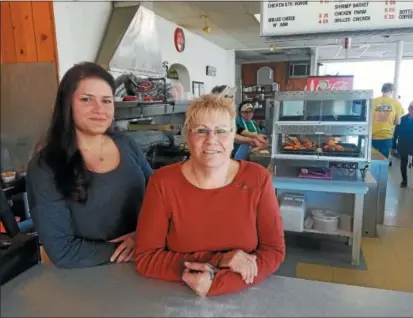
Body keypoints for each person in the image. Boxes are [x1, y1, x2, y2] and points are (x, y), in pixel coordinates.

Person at [134, 94, 285, 297]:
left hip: (244, 295)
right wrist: (218, 261)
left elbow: (273, 251)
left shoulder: (257, 179)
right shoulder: (162, 182)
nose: (211, 140)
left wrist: (218, 282)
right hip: (174, 296)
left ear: (234, 137)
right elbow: (146, 257)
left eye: (221, 131)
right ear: (188, 136)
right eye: (201, 131)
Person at [26, 62, 153, 268]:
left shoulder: (126, 144)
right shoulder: (45, 167)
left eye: (106, 101)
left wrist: (143, 237)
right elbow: (62, 251)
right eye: (86, 100)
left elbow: (158, 195)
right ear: (67, 104)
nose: (99, 110)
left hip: (144, 263)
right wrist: (133, 246)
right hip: (88, 277)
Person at [371, 83, 404, 158]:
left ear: (382, 90)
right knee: (383, 162)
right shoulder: (396, 103)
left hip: (372, 136)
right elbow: (398, 122)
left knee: (372, 160)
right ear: (392, 91)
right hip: (386, 137)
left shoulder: (373, 101)